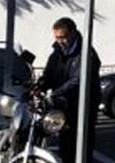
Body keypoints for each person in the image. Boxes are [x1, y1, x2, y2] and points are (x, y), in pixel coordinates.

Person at [40, 17, 101, 163]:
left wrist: (55, 93)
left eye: (63, 37)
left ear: (73, 33)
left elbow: (79, 80)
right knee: (65, 144)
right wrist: (40, 85)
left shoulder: (86, 53)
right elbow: (49, 74)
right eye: (57, 37)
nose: (60, 41)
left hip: (83, 106)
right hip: (63, 105)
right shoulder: (57, 52)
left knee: (81, 146)